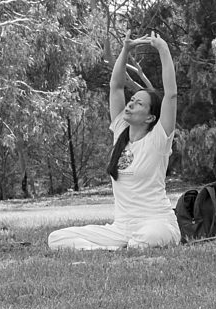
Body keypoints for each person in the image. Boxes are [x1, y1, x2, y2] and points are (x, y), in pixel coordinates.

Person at [48, 32, 179, 250]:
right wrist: (125, 50)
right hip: (121, 229)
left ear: (150, 117)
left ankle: (127, 247)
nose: (130, 105)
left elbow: (171, 96)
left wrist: (163, 50)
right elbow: (116, 87)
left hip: (157, 224)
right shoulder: (121, 132)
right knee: (56, 238)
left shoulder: (159, 139)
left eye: (138, 104)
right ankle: (109, 251)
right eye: (132, 100)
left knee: (145, 239)